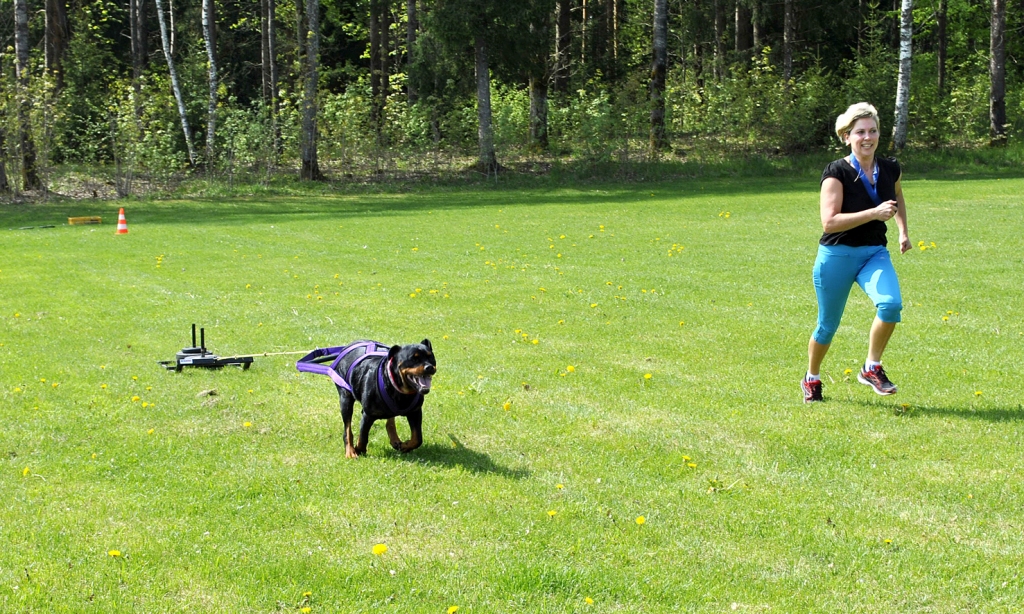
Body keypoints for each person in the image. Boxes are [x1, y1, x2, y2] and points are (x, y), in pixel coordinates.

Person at [802, 102, 911, 403]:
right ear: (847, 136)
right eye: (860, 132)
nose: (867, 137)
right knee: (828, 326)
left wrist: (903, 230)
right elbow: (830, 221)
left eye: (872, 131)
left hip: (873, 253)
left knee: (890, 305)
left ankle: (871, 366)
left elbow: (897, 196)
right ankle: (812, 377)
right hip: (836, 257)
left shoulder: (890, 167)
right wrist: (874, 212)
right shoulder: (836, 171)